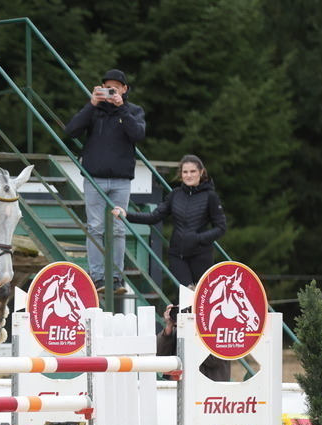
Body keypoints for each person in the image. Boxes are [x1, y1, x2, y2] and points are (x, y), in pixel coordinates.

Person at [64, 68, 146, 294]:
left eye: (115, 88)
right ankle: (98, 276)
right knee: (95, 228)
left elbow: (138, 135)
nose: (111, 92)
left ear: (124, 89)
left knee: (119, 229)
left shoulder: (134, 110)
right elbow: (71, 131)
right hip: (94, 178)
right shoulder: (95, 110)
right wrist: (91, 104)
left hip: (121, 180)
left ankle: (117, 278)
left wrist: (122, 108)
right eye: (107, 88)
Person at [112, 154, 226, 287]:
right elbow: (154, 216)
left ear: (201, 172)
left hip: (201, 255)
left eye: (193, 171)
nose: (189, 175)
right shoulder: (175, 195)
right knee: (185, 294)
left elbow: (221, 227)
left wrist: (198, 239)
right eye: (185, 172)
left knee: (201, 298)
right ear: (181, 174)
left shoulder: (210, 196)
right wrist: (127, 215)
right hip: (177, 255)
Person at [156, 303, 230, 381]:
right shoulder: (180, 329)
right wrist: (168, 329)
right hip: (181, 388)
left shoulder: (218, 330)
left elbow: (214, 361)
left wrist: (192, 330)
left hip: (209, 388)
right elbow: (159, 356)